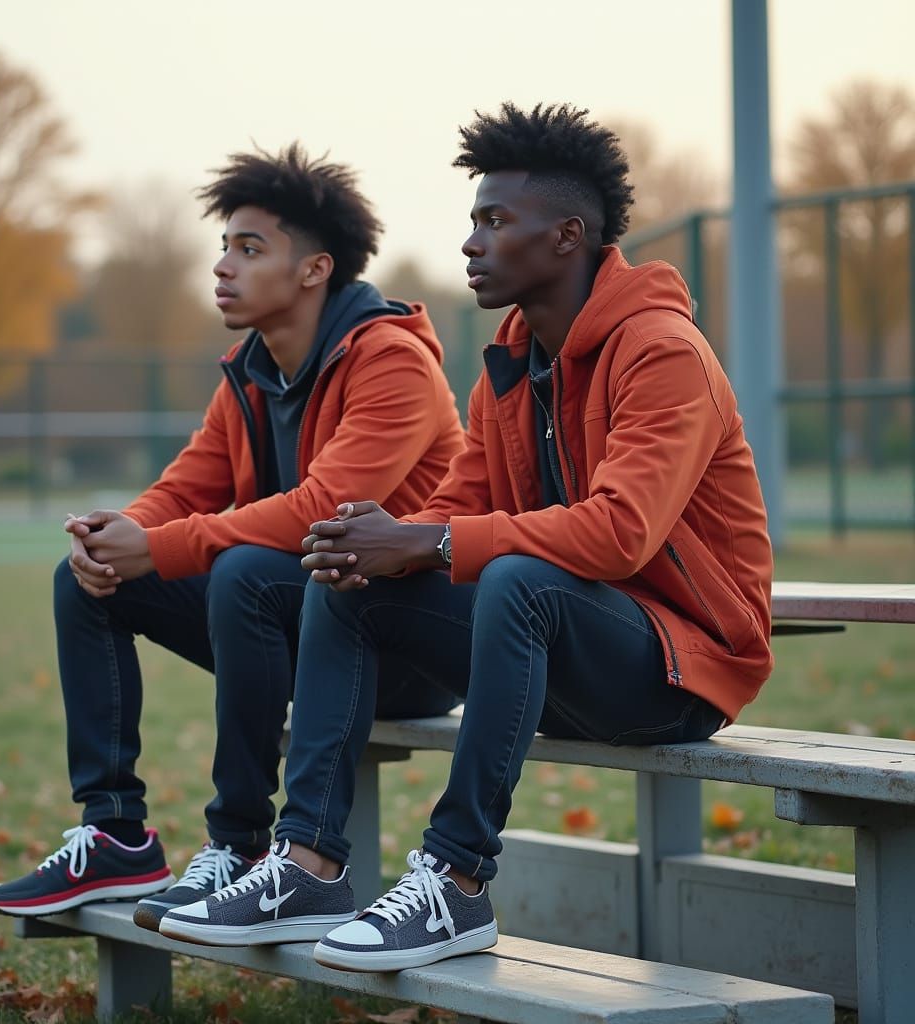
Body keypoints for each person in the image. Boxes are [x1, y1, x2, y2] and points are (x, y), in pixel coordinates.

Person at [157, 102, 774, 971]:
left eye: (494, 221)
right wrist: (378, 537)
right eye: (472, 220)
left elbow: (622, 535)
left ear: (566, 237)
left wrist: (432, 545)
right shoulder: (513, 365)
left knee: (520, 578)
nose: (471, 243)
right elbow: (453, 504)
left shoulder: (662, 351)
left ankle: (456, 882)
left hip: (681, 668)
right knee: (349, 575)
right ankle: (307, 866)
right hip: (563, 648)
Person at [0, 144, 464, 926]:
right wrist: (120, 533)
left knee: (242, 570)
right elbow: (187, 485)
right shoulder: (251, 370)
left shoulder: (393, 363)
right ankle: (115, 835)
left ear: (313, 270)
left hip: (395, 641)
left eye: (250, 248)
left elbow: (323, 507)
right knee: (87, 581)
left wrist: (164, 546)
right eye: (224, 247)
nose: (224, 266)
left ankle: (239, 844)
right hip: (292, 619)